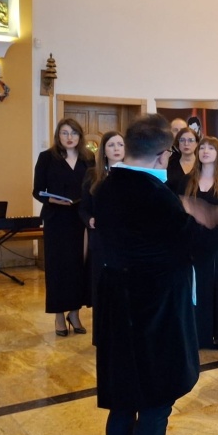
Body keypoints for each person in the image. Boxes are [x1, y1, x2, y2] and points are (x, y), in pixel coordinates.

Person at [93, 113, 218, 435]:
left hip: (117, 307)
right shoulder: (157, 194)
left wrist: (181, 209)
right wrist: (210, 219)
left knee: (121, 402)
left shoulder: (106, 187)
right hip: (154, 311)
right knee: (153, 405)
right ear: (163, 154)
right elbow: (199, 249)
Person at [175, 136, 218, 350]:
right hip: (192, 243)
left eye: (210, 148)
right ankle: (197, 334)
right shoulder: (187, 180)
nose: (205, 151)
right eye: (202, 147)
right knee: (195, 289)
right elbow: (176, 210)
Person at [32, 118, 93, 337]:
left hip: (79, 219)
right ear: (58, 135)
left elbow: (93, 187)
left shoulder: (88, 159)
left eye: (74, 133)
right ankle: (59, 316)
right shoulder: (47, 157)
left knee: (78, 267)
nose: (69, 137)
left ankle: (74, 314)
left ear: (80, 136)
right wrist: (52, 200)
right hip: (56, 219)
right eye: (65, 133)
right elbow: (37, 190)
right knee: (58, 268)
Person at [80, 131, 124, 308]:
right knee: (100, 291)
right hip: (100, 240)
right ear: (104, 151)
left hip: (123, 241)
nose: (116, 149)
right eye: (111, 145)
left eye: (120, 144)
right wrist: (89, 219)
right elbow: (83, 208)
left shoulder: (132, 174)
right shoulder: (93, 175)